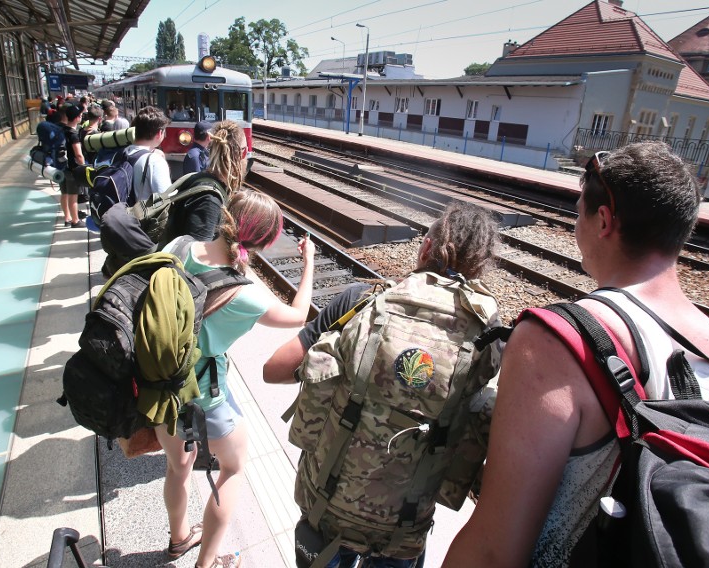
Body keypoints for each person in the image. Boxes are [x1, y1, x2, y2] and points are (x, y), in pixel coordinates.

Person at [443, 141, 709, 567]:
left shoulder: (555, 341)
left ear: (604, 221)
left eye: (578, 213)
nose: (576, 227)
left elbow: (493, 549)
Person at [264, 202, 502, 568]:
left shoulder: (362, 301)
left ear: (425, 248)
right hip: (403, 527)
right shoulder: (488, 336)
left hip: (325, 507)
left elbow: (274, 370)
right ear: (480, 266)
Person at [156, 189, 316, 568]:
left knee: (177, 466)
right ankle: (207, 562)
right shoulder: (244, 295)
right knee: (233, 466)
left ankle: (179, 537)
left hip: (159, 385)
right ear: (261, 243)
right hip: (200, 396)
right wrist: (308, 262)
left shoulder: (179, 246)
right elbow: (298, 314)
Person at [125, 106, 171, 201]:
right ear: (159, 133)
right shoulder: (155, 161)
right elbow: (165, 198)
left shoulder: (124, 152)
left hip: (119, 212)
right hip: (142, 215)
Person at [58, 104, 86, 228]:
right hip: (72, 169)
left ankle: (67, 218)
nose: (81, 117)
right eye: (80, 115)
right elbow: (78, 155)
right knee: (73, 196)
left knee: (64, 193)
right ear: (76, 118)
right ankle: (75, 221)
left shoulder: (62, 130)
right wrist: (84, 166)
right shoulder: (73, 134)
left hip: (61, 168)